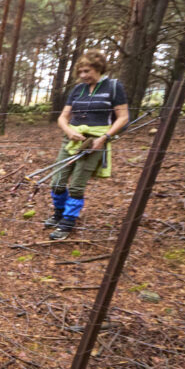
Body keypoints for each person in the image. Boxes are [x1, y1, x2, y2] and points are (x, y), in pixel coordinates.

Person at [46, 50, 129, 240]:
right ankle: (58, 214)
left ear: (98, 68)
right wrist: (69, 131)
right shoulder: (78, 89)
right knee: (58, 181)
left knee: (76, 185)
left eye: (87, 71)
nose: (83, 75)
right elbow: (63, 117)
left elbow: (123, 117)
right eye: (81, 71)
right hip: (72, 140)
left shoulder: (113, 87)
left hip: (95, 141)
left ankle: (67, 222)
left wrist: (105, 138)